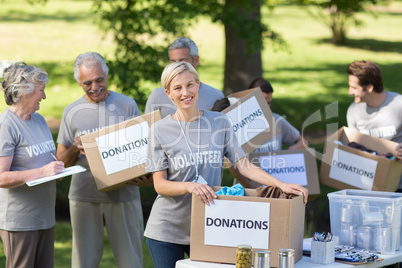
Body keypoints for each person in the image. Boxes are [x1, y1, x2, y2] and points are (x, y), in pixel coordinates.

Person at [144, 61, 308, 268]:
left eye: (190, 85)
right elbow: (159, 185)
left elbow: (244, 165)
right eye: (177, 88)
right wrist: (189, 185)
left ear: (198, 84)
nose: (185, 92)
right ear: (168, 93)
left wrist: (281, 184)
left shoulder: (220, 122)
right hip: (167, 230)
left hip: (211, 225)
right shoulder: (159, 130)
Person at [56, 52, 149, 268]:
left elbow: (143, 149)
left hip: (124, 195)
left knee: (131, 262)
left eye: (99, 79)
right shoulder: (71, 112)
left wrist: (144, 177)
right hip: (84, 196)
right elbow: (60, 162)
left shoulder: (127, 105)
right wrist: (74, 148)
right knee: (83, 263)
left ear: (107, 76)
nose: (95, 86)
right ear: (79, 83)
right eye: (87, 82)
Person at [0, 62, 65, 268]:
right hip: (20, 222)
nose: (44, 97)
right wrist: (42, 172)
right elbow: (1, 177)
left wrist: (57, 170)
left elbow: (47, 161)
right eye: (41, 90)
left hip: (45, 216)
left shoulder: (39, 120)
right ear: (24, 92)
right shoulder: (6, 126)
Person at [213, 78, 308, 188]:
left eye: (269, 103)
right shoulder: (240, 125)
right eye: (263, 102)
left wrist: (292, 150)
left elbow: (303, 142)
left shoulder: (277, 120)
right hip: (247, 188)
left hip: (274, 186)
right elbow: (232, 166)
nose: (267, 107)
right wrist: (254, 190)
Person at [346, 60, 402, 185]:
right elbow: (354, 148)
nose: (349, 92)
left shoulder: (399, 105)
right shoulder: (353, 110)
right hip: (367, 184)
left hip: (397, 186)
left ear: (370, 87)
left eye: (354, 88)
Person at [145, 37, 224, 118]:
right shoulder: (157, 96)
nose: (177, 66)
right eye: (173, 61)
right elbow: (148, 129)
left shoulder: (215, 96)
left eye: (182, 61)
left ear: (196, 60)